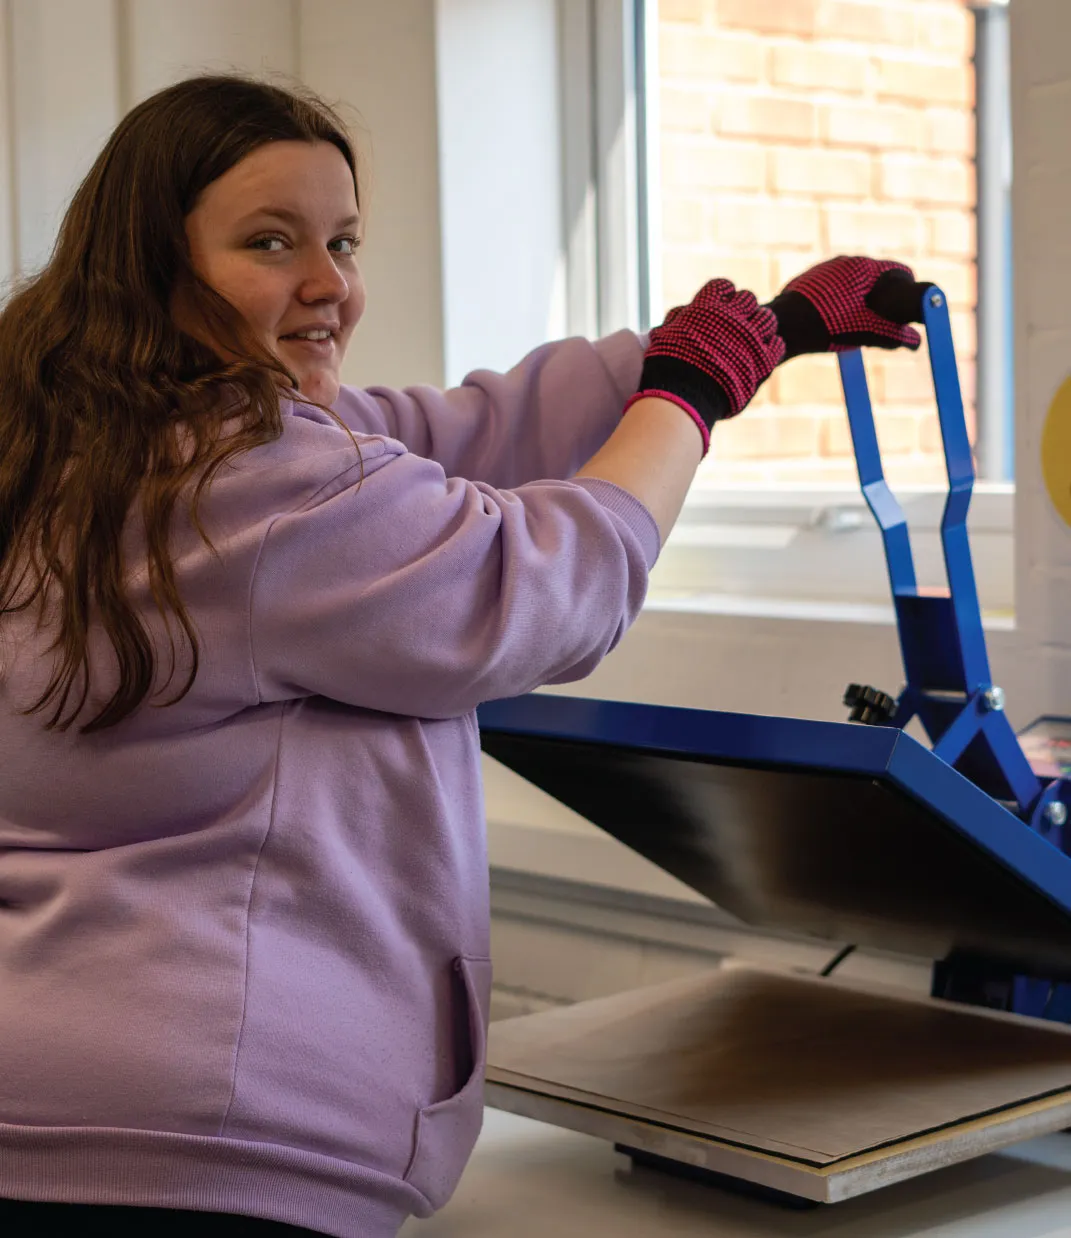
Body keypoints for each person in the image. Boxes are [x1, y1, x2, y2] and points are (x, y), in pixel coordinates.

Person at [0, 75, 926, 1237]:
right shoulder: (254, 488)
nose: (330, 283)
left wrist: (762, 334)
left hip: (53, 1102)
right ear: (150, 264)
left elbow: (449, 432)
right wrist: (691, 389)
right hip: (206, 1142)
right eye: (270, 241)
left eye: (341, 240)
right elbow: (540, 587)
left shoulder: (75, 447)